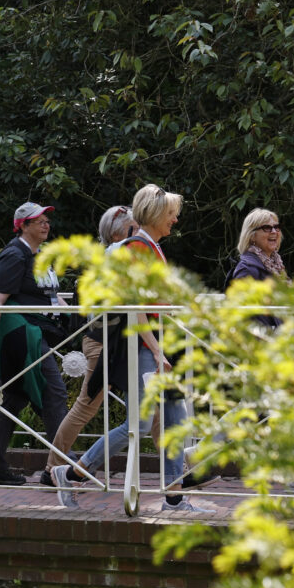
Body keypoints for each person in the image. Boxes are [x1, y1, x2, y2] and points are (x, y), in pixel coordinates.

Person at [52, 184, 212, 512]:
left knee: (173, 422)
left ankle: (174, 498)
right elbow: (136, 305)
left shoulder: (148, 246)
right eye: (171, 214)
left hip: (155, 344)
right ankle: (72, 473)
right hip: (143, 346)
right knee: (139, 426)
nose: (176, 220)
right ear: (154, 215)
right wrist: (155, 350)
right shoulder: (139, 247)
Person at [41, 205, 162, 483]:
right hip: (105, 343)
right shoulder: (119, 254)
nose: (141, 233)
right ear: (124, 231)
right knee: (88, 405)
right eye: (136, 228)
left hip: (117, 341)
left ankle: (177, 473)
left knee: (152, 409)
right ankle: (53, 469)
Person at [0, 202, 68, 486]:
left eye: (47, 220)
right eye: (38, 220)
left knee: (14, 396)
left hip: (35, 333)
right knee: (54, 392)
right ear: (22, 226)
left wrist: (78, 319)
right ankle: (61, 466)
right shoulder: (14, 255)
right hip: (20, 336)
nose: (45, 224)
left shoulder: (38, 256)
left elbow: (52, 297)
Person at [227, 208, 286, 328]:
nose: (274, 231)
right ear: (252, 236)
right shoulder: (247, 268)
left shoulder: (276, 265)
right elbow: (243, 315)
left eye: (276, 227)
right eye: (267, 228)